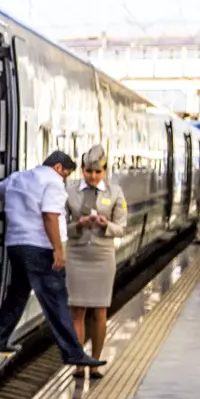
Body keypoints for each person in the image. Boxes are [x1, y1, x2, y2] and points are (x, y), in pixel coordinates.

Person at [0, 151, 105, 369]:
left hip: (16, 246)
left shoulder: (17, 178)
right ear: (59, 168)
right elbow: (50, 216)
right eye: (66, 174)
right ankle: (73, 353)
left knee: (17, 295)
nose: (65, 179)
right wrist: (58, 250)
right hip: (40, 248)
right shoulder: (53, 182)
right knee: (57, 300)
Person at [64, 145, 127, 379]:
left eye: (97, 172)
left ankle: (96, 363)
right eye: (89, 171)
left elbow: (121, 227)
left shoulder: (115, 192)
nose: (92, 176)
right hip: (77, 255)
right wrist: (78, 225)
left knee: (100, 311)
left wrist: (105, 225)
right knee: (77, 311)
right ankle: (80, 362)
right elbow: (61, 227)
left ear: (105, 171)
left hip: (102, 257)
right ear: (82, 170)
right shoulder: (69, 191)